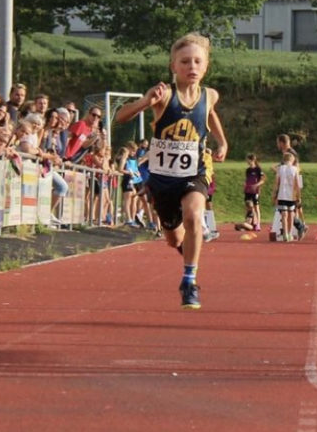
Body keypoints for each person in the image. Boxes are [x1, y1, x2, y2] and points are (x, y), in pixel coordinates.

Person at [113, 33, 227, 309]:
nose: (192, 66)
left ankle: (189, 281)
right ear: (173, 66)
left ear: (206, 66)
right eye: (185, 61)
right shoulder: (165, 97)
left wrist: (221, 140)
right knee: (174, 238)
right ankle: (187, 251)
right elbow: (120, 117)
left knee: (194, 215)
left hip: (195, 172)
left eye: (198, 61)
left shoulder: (210, 94)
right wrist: (146, 101)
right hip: (163, 178)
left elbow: (210, 111)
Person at [274, 150, 302, 241]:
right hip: (291, 195)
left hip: (282, 194)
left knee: (284, 214)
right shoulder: (295, 169)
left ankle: (285, 233)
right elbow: (298, 184)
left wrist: (274, 194)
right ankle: (290, 233)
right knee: (291, 214)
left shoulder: (280, 169)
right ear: (292, 160)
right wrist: (299, 196)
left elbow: (276, 183)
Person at [243, 153, 266, 231]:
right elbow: (247, 179)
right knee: (248, 207)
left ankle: (258, 224)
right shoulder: (248, 170)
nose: (247, 161)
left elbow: (262, 180)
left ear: (252, 160)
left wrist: (256, 185)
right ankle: (248, 223)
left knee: (256, 207)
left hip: (255, 191)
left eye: (247, 159)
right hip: (248, 190)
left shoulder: (258, 169)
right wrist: (245, 184)